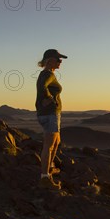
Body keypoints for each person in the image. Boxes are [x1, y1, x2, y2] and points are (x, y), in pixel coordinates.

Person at [35, 49, 67, 189]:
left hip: (51, 114)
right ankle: (45, 177)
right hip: (50, 114)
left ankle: (50, 167)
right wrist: (48, 98)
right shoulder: (47, 74)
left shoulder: (49, 74)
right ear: (49, 60)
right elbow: (42, 87)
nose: (60, 62)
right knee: (48, 146)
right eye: (58, 59)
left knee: (56, 141)